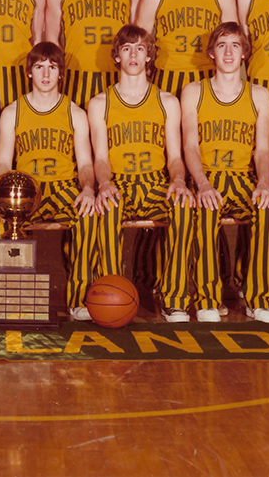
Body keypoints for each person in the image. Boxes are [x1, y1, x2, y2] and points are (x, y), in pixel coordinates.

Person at [86, 25, 197, 321]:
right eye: (126, 48)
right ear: (117, 56)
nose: (133, 54)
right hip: (119, 182)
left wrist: (177, 180)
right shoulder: (100, 103)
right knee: (107, 206)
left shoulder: (166, 101)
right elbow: (100, 156)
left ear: (149, 56)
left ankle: (173, 296)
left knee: (184, 204)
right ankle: (110, 292)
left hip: (154, 182)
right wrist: (105, 183)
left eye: (139, 48)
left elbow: (175, 155)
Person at [181, 22, 269, 323]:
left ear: (245, 54)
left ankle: (258, 298)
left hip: (241, 176)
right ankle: (208, 299)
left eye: (235, 45)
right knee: (206, 210)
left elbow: (262, 150)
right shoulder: (193, 91)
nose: (228, 51)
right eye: (222, 45)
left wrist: (264, 184)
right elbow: (191, 147)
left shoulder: (259, 95)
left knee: (266, 209)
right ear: (211, 53)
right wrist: (202, 184)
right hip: (208, 174)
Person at [0, 42, 99, 320]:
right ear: (29, 72)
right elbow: (3, 162)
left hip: (64, 185)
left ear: (61, 73)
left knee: (88, 216)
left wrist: (88, 188)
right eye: (39, 67)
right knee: (0, 220)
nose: (45, 74)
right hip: (26, 188)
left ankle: (80, 299)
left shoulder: (75, 113)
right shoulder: (13, 111)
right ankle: (10, 298)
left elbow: (86, 163)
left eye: (52, 67)